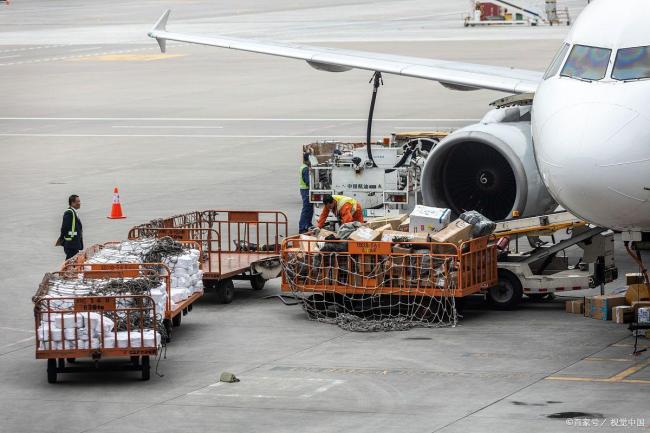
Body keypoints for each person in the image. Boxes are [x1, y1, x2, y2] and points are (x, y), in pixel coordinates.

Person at [57, 194, 83, 259]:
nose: (80, 203)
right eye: (78, 201)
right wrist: (62, 239)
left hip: (74, 244)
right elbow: (64, 228)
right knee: (70, 262)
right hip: (71, 244)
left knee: (72, 262)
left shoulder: (74, 212)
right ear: (72, 203)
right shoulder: (69, 213)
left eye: (79, 201)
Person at [299, 152, 314, 234]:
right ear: (308, 160)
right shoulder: (305, 169)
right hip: (306, 190)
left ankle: (308, 224)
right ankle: (302, 227)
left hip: (305, 190)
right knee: (306, 209)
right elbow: (307, 181)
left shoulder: (304, 167)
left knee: (310, 208)